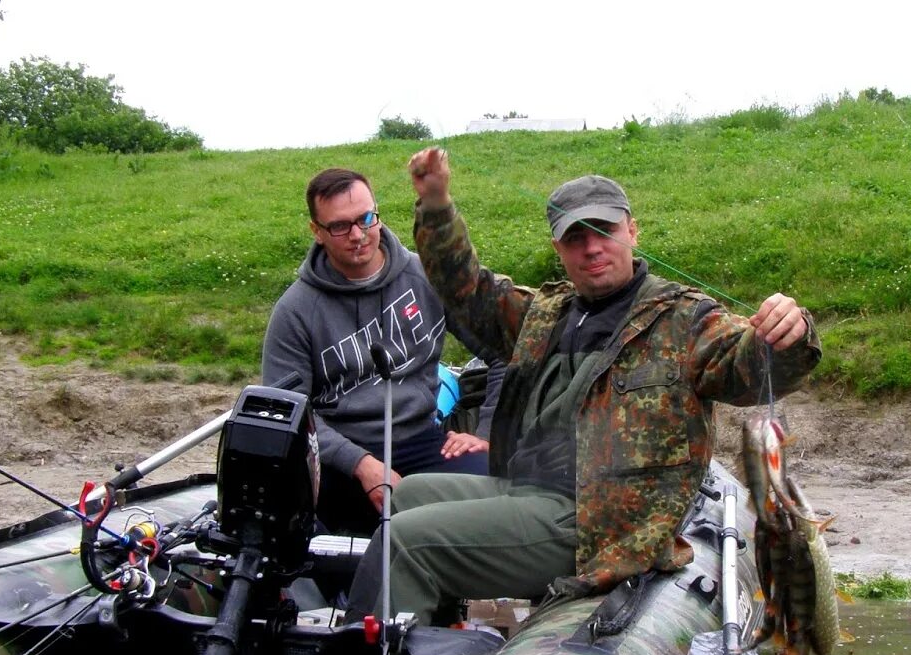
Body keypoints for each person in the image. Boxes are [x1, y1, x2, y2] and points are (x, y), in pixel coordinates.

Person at [345, 148, 822, 626]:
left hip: (602, 526)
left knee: (405, 541)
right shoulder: (544, 313)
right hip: (528, 493)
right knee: (407, 498)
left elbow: (749, 366)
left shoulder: (686, 320)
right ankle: (434, 639)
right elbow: (465, 290)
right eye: (575, 239)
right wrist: (435, 203)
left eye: (604, 232)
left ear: (632, 230)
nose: (591, 248)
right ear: (558, 249)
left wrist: (789, 333)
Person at [261, 167, 496, 535]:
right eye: (340, 226)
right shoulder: (294, 312)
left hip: (422, 439)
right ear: (317, 232)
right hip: (340, 460)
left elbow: (504, 351)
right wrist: (361, 463)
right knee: (341, 547)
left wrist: (485, 430)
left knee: (499, 493)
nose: (357, 235)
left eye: (366, 218)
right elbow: (286, 410)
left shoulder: (428, 277)